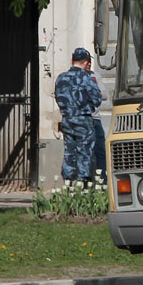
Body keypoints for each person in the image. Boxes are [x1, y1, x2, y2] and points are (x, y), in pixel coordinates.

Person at [55, 47, 103, 184]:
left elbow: (58, 97)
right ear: (87, 62)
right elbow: (97, 99)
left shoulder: (61, 78)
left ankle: (68, 183)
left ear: (72, 60)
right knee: (85, 151)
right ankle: (83, 183)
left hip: (67, 119)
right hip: (83, 119)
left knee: (69, 150)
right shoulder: (86, 78)